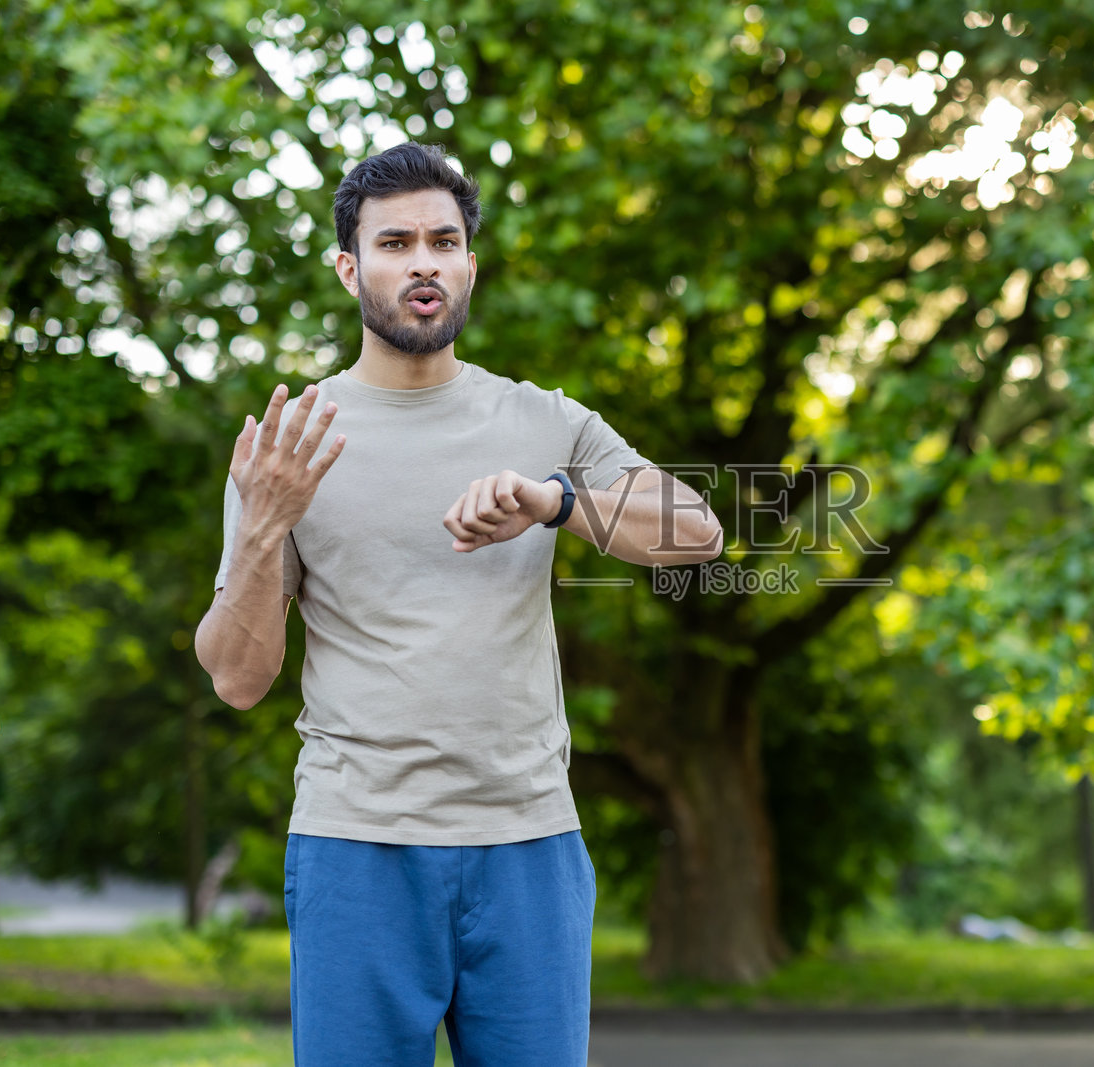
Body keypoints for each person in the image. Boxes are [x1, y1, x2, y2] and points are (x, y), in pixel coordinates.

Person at [194, 141, 722, 1067]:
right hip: (357, 846)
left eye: (443, 240)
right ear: (351, 268)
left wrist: (556, 499)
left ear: (470, 264)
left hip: (529, 845)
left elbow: (698, 533)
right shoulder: (287, 448)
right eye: (395, 242)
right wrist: (261, 528)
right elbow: (239, 679)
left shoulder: (545, 422)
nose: (424, 261)